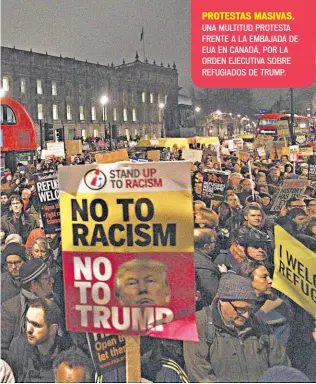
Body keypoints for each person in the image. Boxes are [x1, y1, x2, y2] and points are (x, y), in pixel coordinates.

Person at [183, 273, 290, 382]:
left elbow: (281, 369)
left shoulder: (261, 327)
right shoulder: (199, 324)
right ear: (222, 302)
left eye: (250, 309)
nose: (247, 315)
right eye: (241, 309)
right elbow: (200, 375)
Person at [7, 299, 75, 383]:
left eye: (36, 325)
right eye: (27, 321)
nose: (29, 329)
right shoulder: (18, 346)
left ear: (53, 329)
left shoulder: (70, 354)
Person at [1, 259, 55, 360]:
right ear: (34, 285)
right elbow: (2, 349)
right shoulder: (10, 308)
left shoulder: (55, 301)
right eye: (47, 279)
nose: (52, 281)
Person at [193, 228, 220, 309]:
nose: (215, 244)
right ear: (207, 246)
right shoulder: (204, 268)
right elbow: (213, 296)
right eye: (213, 242)